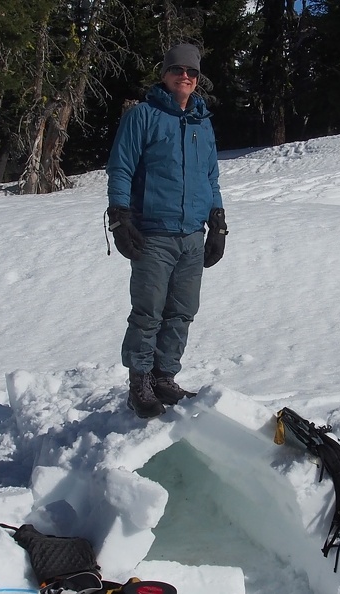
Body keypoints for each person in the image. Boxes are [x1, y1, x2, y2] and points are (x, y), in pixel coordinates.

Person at [106, 43, 228, 419]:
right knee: (148, 312)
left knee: (182, 312)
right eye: (177, 70)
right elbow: (121, 168)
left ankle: (164, 376)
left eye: (191, 72)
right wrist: (120, 217)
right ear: (165, 74)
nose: (185, 76)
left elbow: (211, 176)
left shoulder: (201, 122)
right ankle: (139, 381)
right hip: (154, 234)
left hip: (192, 235)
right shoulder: (142, 116)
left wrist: (218, 222)